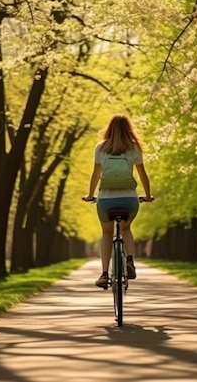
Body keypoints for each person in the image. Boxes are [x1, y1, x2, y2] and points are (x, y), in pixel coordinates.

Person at [83, 114, 153, 289]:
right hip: (129, 199)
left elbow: (95, 175)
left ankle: (105, 274)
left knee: (107, 233)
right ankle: (129, 261)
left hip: (106, 200)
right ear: (129, 129)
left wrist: (91, 195)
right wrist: (148, 195)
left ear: (109, 128)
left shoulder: (100, 148)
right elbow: (143, 175)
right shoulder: (134, 148)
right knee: (126, 228)